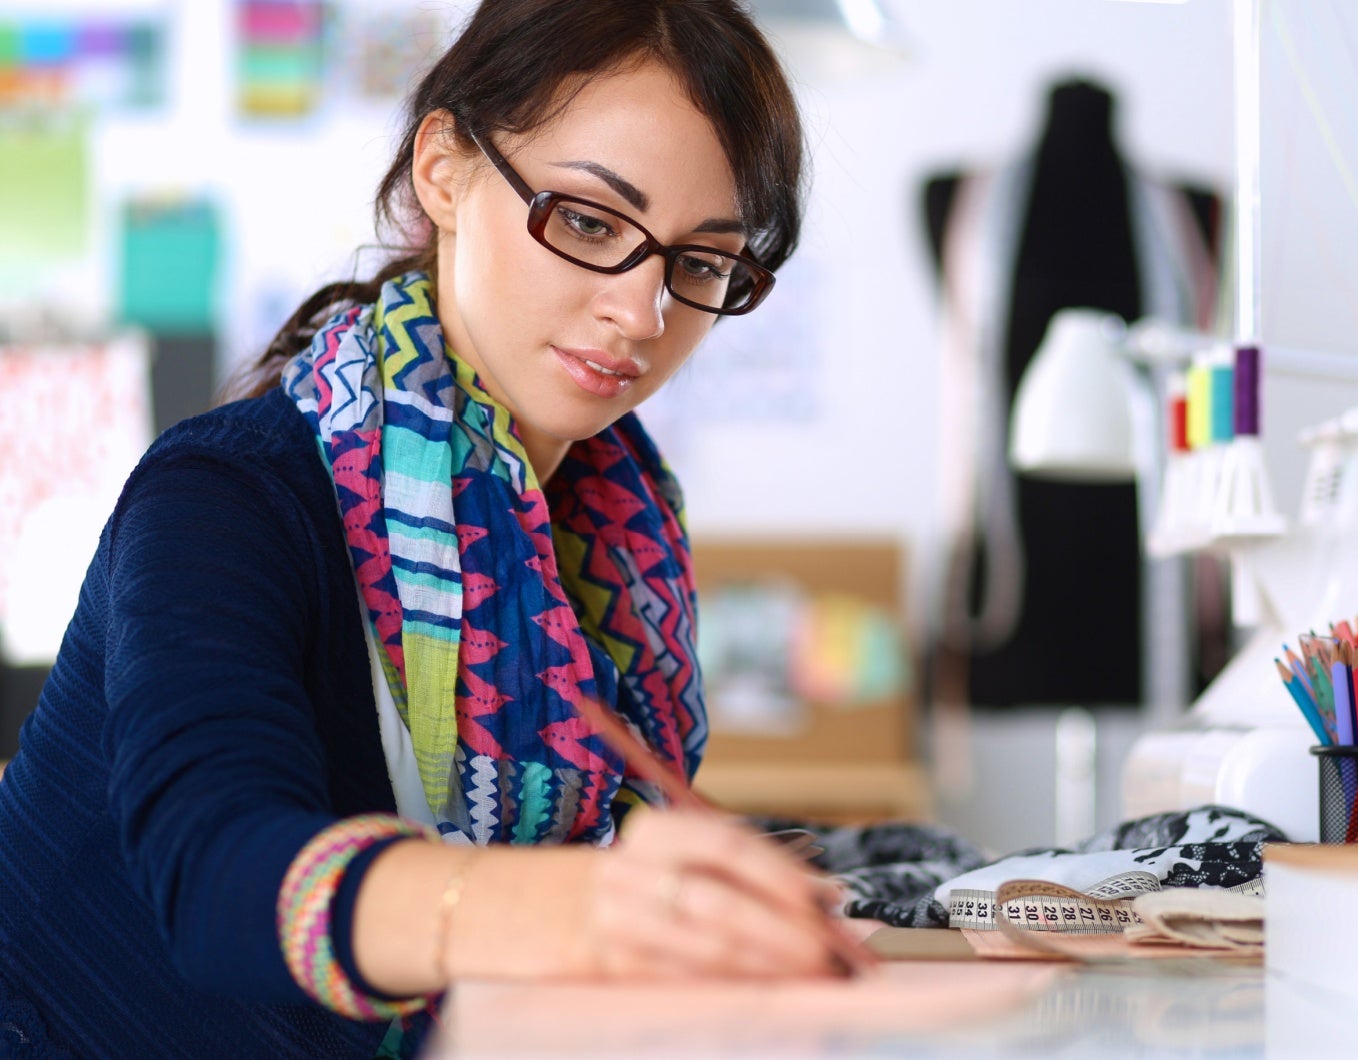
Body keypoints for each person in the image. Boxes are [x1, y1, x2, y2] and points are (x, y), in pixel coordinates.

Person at [0, 2, 848, 1056]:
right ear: (444, 168)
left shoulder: (605, 537)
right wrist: (579, 905)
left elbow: (605, 829)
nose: (642, 315)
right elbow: (222, 878)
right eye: (588, 222)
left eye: (700, 262)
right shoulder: (223, 496)